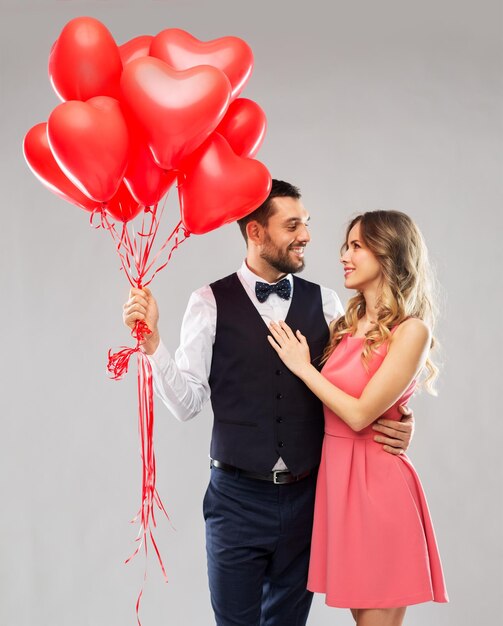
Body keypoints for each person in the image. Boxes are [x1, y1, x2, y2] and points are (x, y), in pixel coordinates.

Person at [122, 181, 415, 626]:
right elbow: (186, 404)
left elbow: (365, 382)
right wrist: (154, 345)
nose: (307, 236)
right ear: (256, 232)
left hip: (308, 498)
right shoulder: (208, 302)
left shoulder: (330, 303)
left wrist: (402, 419)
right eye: (292, 225)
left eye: (307, 224)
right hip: (236, 500)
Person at [267, 210, 448, 626]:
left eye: (356, 246)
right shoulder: (346, 325)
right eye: (345, 246)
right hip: (339, 488)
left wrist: (303, 366)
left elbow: (360, 414)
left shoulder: (411, 330)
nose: (343, 255)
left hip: (378, 490)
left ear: (388, 254)